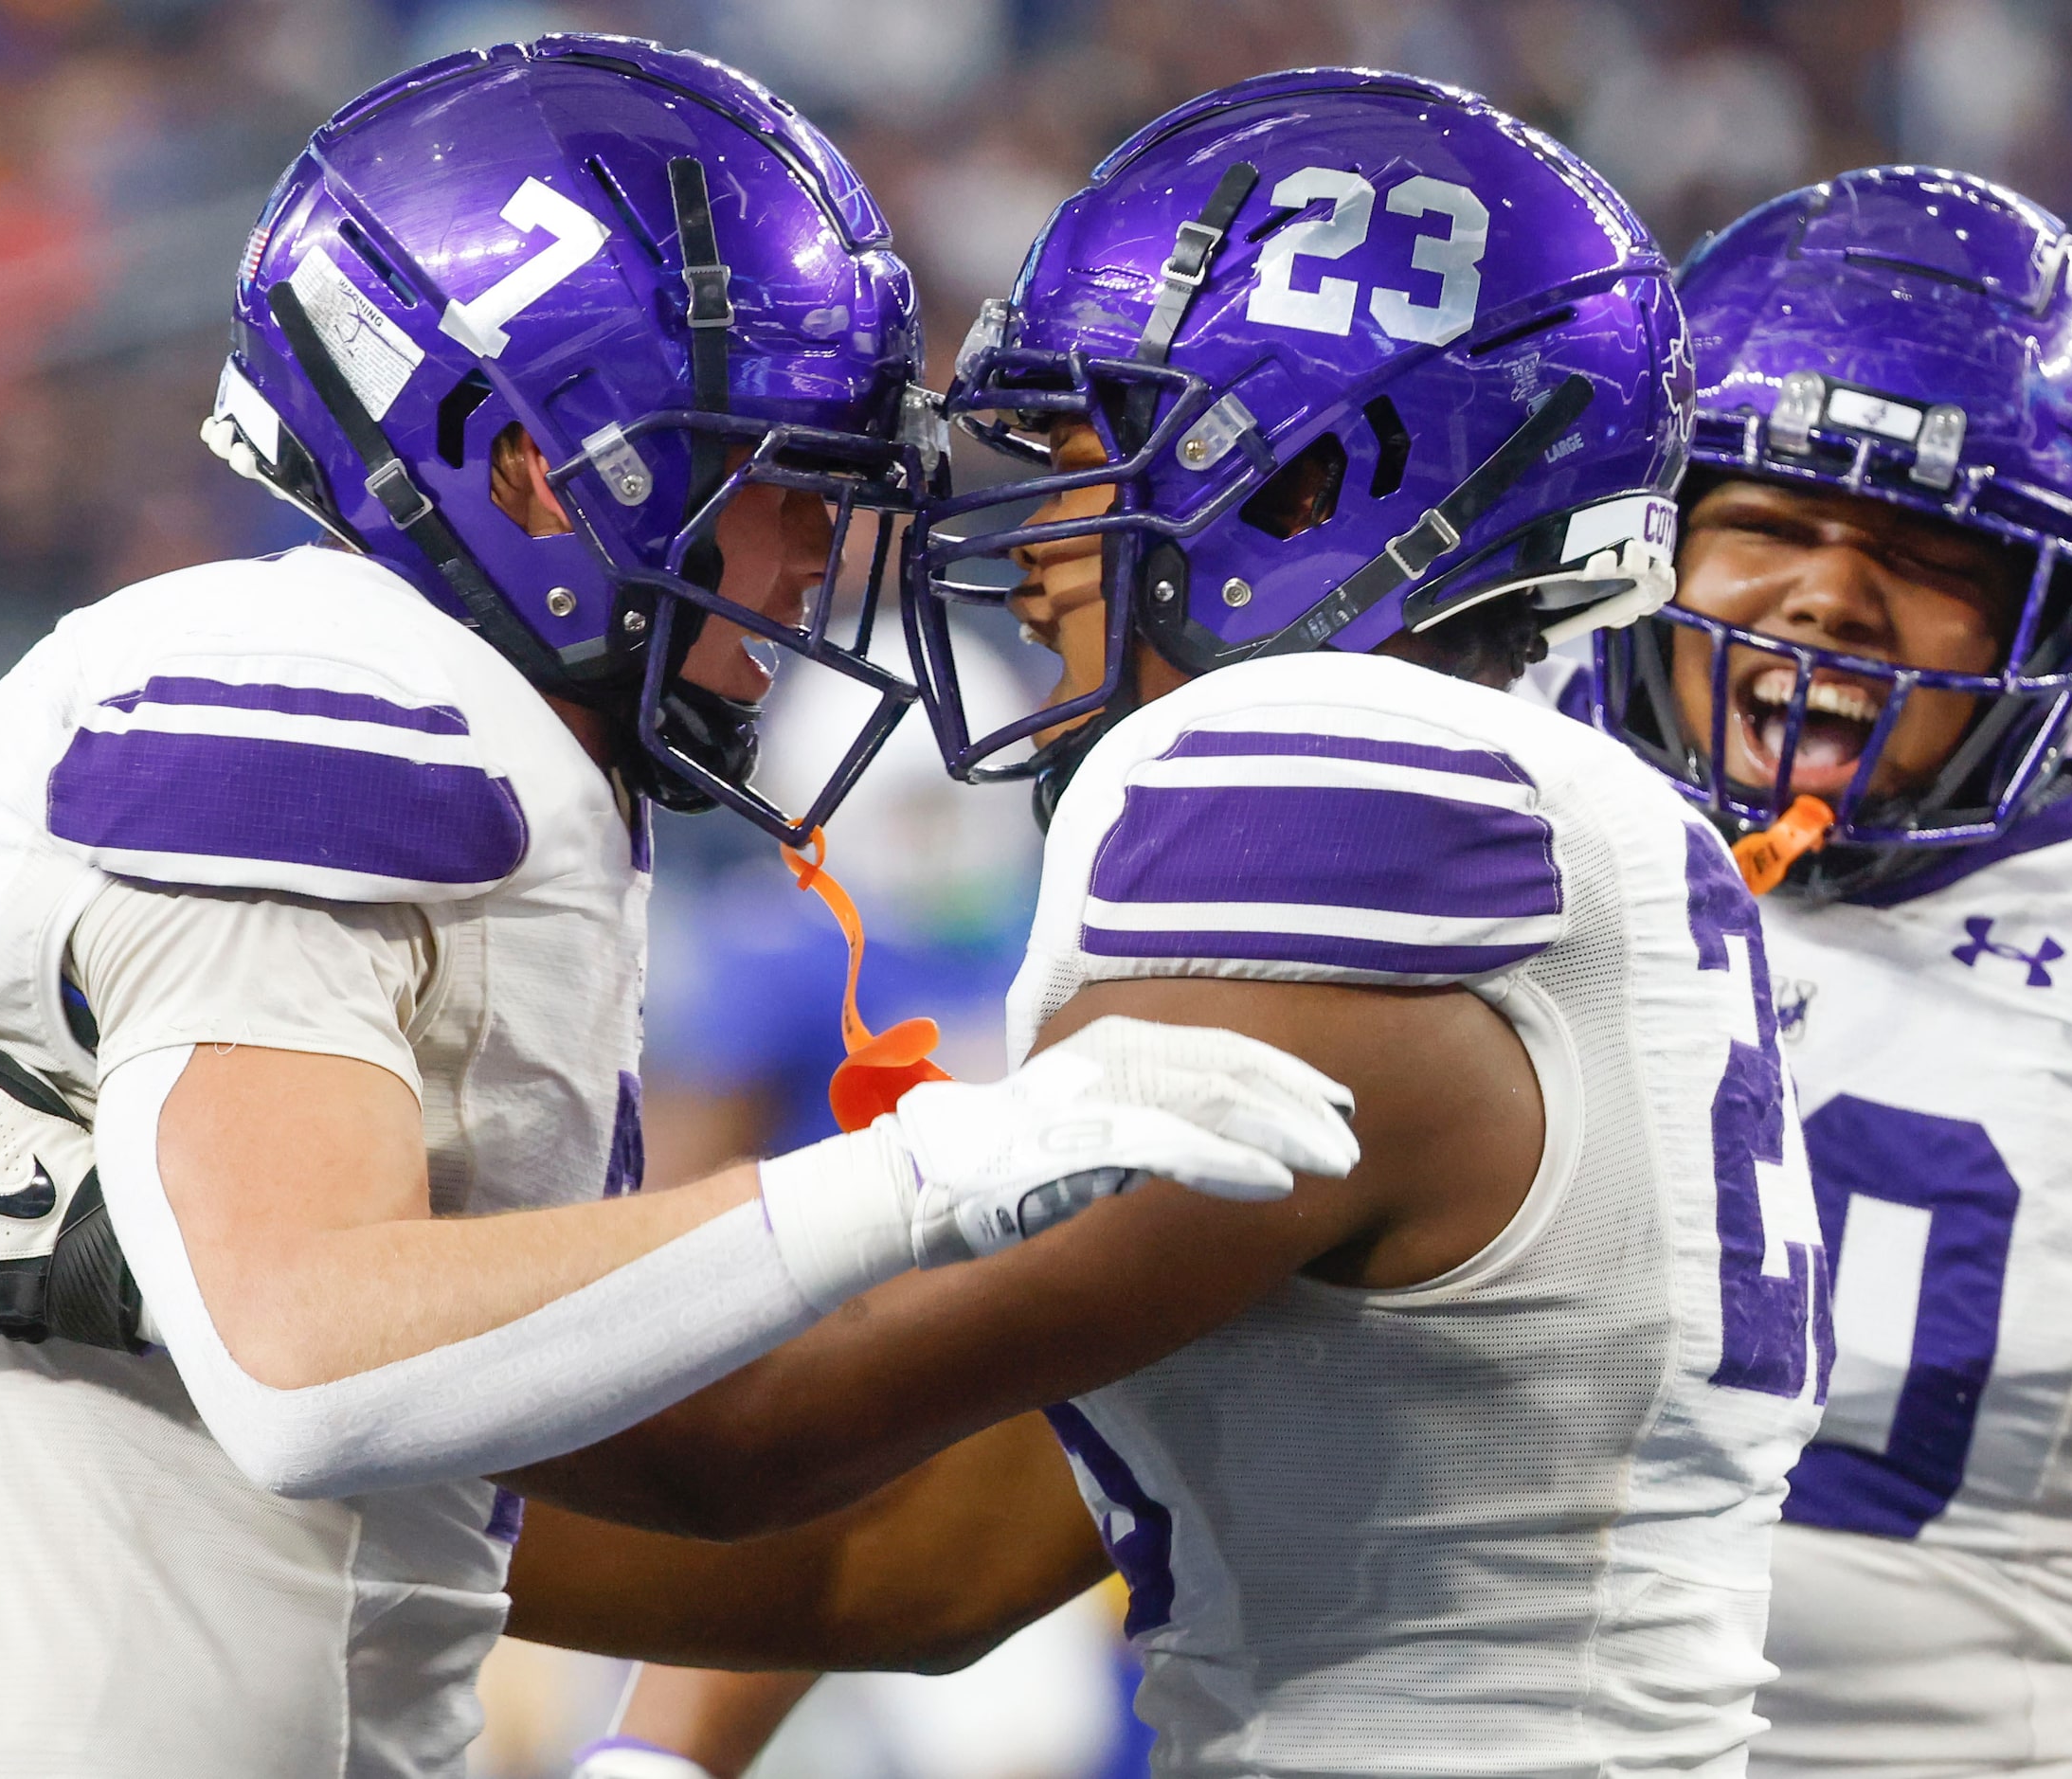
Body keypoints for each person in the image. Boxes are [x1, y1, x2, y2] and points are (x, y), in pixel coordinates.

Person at [0, 38, 1355, 1779]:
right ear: (530, 467)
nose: (820, 552)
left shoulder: (513, 766)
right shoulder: (304, 683)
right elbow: (312, 1372)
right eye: (776, 476)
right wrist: (925, 1174)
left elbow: (723, 1487)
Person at [488, 67, 1827, 1778]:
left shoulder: (1307, 772)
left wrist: (240, 1351)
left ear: (1309, 481)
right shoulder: (1559, 827)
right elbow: (924, 1546)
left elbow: (790, 1446)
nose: (1033, 533)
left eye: (1078, 449)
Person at [1576, 166, 2072, 1778]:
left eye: (1931, 554)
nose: (1825, 597)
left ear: (2068, 616)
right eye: (1772, 521)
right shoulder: (1460, 820)